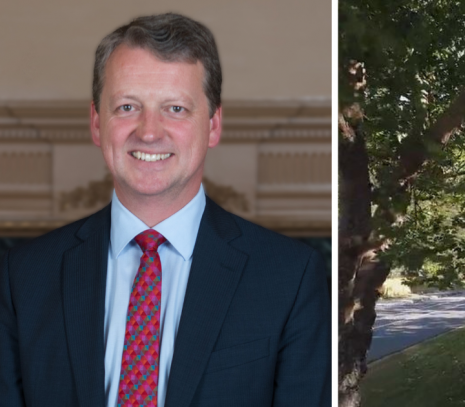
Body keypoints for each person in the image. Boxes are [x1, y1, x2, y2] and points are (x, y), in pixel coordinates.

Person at [0, 13, 330, 407]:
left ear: (213, 125)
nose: (149, 132)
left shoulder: (290, 277)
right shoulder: (22, 277)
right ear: (96, 123)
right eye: (127, 106)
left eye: (175, 108)